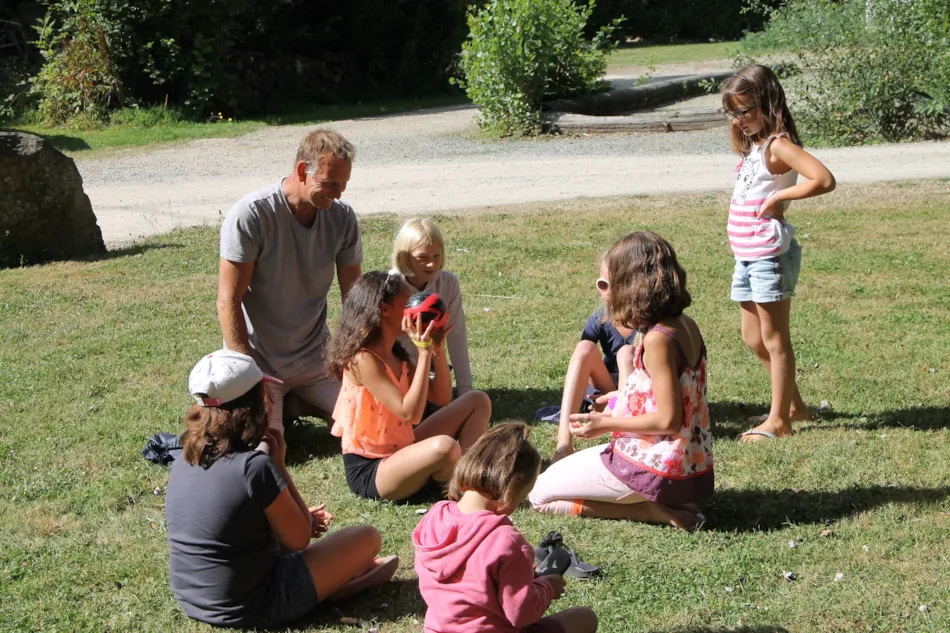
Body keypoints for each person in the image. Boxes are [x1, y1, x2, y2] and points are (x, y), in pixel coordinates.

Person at [165, 350, 398, 628]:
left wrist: (294, 517)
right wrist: (280, 467)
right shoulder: (254, 467)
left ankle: (336, 580)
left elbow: (229, 526)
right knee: (367, 538)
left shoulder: (184, 459)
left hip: (194, 599)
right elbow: (299, 539)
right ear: (255, 405)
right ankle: (335, 587)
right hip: (253, 604)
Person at [529, 231, 713, 531]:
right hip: (687, 463)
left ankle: (650, 510)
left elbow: (668, 419)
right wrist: (618, 401)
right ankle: (662, 500)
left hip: (653, 465)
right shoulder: (684, 325)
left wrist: (605, 424)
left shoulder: (658, 339)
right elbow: (670, 395)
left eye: (605, 284)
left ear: (631, 286)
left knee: (539, 494)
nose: (601, 293)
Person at [217, 129, 363, 433]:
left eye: (344, 184)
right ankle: (286, 405)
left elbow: (354, 297)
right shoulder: (252, 215)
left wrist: (354, 359)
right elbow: (228, 300)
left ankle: (297, 402)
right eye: (330, 183)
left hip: (316, 359)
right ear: (301, 170)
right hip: (261, 363)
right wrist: (247, 375)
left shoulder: (342, 218)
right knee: (263, 449)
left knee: (369, 426)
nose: (338, 193)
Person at [720, 64, 836, 442]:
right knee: (753, 338)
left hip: (769, 256)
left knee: (774, 339)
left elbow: (824, 179)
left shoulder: (778, 145)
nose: (738, 121)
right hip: (748, 256)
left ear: (767, 103)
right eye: (733, 113)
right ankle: (794, 406)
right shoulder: (755, 145)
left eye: (745, 111)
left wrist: (779, 196)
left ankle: (779, 423)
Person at [413, 423, 599, 633]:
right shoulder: (505, 541)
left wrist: (523, 577)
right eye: (522, 496)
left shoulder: (434, 518)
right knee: (584, 618)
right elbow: (520, 613)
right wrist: (548, 587)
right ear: (514, 485)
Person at [327, 271, 492, 501]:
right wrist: (424, 353)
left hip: (402, 447)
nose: (414, 309)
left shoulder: (396, 354)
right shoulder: (363, 360)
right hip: (372, 468)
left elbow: (442, 398)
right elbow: (411, 413)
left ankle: (463, 480)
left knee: (478, 401)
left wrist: (437, 350)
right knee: (445, 448)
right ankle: (459, 484)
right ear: (384, 309)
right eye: (407, 303)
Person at [552, 255, 638, 463]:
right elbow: (583, 363)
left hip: (637, 394)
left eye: (609, 285)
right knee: (584, 347)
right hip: (608, 390)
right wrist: (596, 397)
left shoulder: (647, 323)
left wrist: (618, 400)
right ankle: (563, 445)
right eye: (601, 284)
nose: (604, 292)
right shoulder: (600, 318)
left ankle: (621, 432)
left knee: (626, 354)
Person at [392, 218, 473, 396]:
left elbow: (457, 335)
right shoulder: (390, 285)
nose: (431, 264)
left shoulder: (448, 282)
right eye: (422, 258)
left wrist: (465, 391)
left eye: (437, 256)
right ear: (405, 256)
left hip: (430, 363)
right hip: (397, 371)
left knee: (474, 400)